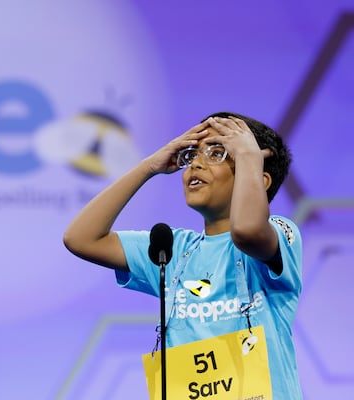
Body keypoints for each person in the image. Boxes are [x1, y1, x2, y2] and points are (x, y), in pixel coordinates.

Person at [63, 112, 302, 399]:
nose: (196, 164)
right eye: (192, 155)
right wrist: (148, 166)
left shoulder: (280, 233)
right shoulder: (172, 250)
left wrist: (249, 157)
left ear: (258, 178)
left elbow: (247, 231)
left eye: (217, 153)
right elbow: (80, 238)